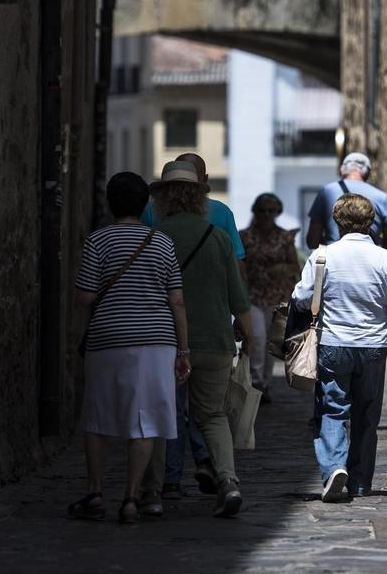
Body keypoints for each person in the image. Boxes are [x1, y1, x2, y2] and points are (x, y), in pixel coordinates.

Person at [68, 172, 191, 524]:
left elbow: (86, 296)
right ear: (144, 205)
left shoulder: (97, 241)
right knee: (147, 420)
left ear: (110, 203)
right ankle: (132, 499)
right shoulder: (162, 242)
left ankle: (95, 492)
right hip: (157, 343)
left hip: (108, 339)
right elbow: (177, 301)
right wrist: (183, 351)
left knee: (98, 417)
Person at [290, 193, 387, 503]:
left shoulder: (323, 256)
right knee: (367, 415)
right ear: (371, 222)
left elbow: (300, 297)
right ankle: (361, 482)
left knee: (332, 409)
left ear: (337, 222)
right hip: (373, 347)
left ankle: (335, 467)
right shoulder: (384, 258)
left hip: (334, 344)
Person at [152, 160, 254, 518]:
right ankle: (228, 481)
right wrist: (248, 331)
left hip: (164, 340)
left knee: (166, 413)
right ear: (199, 197)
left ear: (163, 199)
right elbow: (238, 295)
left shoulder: (155, 236)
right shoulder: (219, 236)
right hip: (214, 338)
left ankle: (163, 485)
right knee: (212, 415)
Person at [239, 192, 301, 400]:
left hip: (277, 296)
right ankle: (256, 382)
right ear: (256, 211)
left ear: (277, 213)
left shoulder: (284, 237)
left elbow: (294, 266)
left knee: (271, 342)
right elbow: (238, 264)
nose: (266, 215)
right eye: (262, 210)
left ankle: (264, 383)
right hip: (253, 295)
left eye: (271, 211)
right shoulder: (244, 236)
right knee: (256, 338)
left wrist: (281, 268)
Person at [306, 152, 387, 254]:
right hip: (368, 260)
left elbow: (312, 240)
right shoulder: (382, 197)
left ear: (342, 169)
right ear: (367, 173)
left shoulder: (327, 191)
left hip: (333, 258)